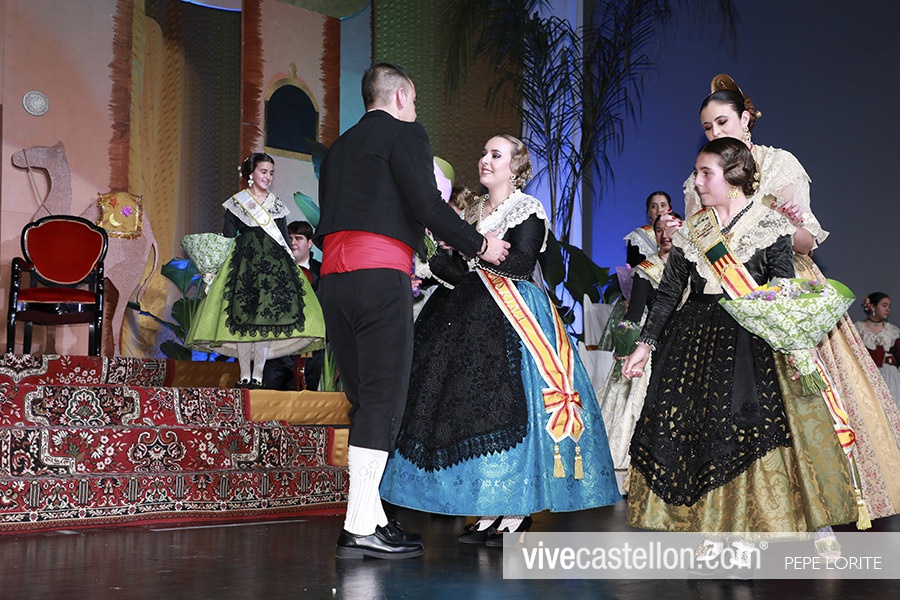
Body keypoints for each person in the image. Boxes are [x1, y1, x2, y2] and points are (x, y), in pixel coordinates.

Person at [621, 139, 856, 562]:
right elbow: (669, 293)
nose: (697, 181)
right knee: (703, 436)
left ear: (733, 178)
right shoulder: (693, 230)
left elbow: (783, 288)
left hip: (751, 342)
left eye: (705, 173)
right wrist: (644, 344)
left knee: (744, 435)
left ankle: (745, 531)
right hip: (695, 340)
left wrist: (794, 338)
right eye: (697, 172)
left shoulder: (770, 225)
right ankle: (711, 530)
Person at [380, 134, 620, 547]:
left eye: (496, 154)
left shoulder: (527, 208)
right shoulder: (473, 212)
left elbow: (521, 263)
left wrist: (472, 250)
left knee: (507, 407)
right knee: (471, 411)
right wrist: (436, 252)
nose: (485, 160)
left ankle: (515, 511)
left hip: (510, 318)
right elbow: (459, 273)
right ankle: (488, 508)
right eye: (483, 153)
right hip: (462, 319)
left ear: (517, 167)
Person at [683, 74, 900, 524]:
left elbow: (806, 242)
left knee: (799, 394)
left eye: (722, 121)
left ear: (746, 119)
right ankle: (734, 502)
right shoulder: (698, 178)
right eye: (707, 126)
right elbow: (699, 246)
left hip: (780, 288)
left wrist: (784, 221)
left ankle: (818, 499)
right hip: (723, 295)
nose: (715, 131)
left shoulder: (780, 164)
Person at [315, 63, 510, 560]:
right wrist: (480, 244)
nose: (416, 109)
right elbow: (428, 205)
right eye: (416, 100)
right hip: (379, 277)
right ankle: (359, 525)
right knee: (383, 401)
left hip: (333, 281)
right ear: (401, 96)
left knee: (363, 398)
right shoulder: (406, 132)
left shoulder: (338, 148)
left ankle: (373, 517)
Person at [186, 153, 325, 388]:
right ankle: (244, 374)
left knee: (264, 321)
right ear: (251, 174)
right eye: (263, 172)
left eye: (271, 173)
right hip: (243, 265)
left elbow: (283, 241)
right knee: (243, 319)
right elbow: (227, 238)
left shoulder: (277, 205)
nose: (268, 177)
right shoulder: (237, 203)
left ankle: (258, 375)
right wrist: (214, 269)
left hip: (272, 268)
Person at [599, 212, 679, 494]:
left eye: (669, 229)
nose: (665, 235)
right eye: (659, 230)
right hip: (654, 342)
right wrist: (627, 344)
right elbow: (634, 315)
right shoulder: (647, 269)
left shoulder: (691, 265)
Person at [262, 220, 325, 391]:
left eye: (299, 238)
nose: (293, 242)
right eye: (289, 238)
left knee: (303, 400)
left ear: (310, 243)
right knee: (268, 398)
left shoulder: (322, 272)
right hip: (275, 350)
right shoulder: (273, 270)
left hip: (308, 351)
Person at [855, 292, 900, 406]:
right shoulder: (858, 329)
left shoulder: (892, 331)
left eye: (889, 306)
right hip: (867, 376)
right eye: (884, 305)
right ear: (872, 306)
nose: (888, 309)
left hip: (890, 376)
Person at [624, 191, 674, 268]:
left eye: (663, 205)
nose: (659, 210)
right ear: (648, 212)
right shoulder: (639, 237)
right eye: (654, 206)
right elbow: (633, 269)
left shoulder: (680, 234)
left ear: (670, 209)